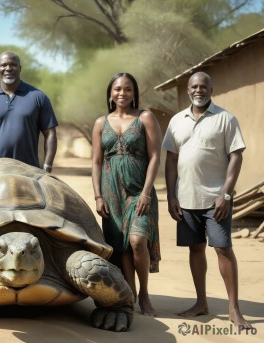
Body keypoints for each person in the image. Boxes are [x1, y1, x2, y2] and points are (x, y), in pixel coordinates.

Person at [162, 71, 252, 329]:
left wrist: (225, 194)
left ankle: (234, 309)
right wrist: (171, 195)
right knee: (195, 248)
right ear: (188, 89)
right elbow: (171, 159)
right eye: (194, 86)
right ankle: (201, 302)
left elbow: (236, 156)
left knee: (223, 248)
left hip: (216, 200)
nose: (198, 90)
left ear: (211, 90)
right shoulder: (177, 120)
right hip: (186, 198)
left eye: (203, 86)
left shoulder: (225, 118)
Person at [91, 72, 162, 316]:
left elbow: (154, 157)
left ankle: (144, 294)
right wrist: (98, 196)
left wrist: (146, 193)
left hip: (138, 191)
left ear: (135, 93)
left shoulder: (145, 117)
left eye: (128, 89)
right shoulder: (101, 122)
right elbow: (96, 162)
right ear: (110, 93)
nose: (123, 93)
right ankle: (129, 292)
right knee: (120, 248)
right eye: (118, 89)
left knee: (137, 241)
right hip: (111, 193)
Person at [0, 50, 58, 172]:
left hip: (29, 172)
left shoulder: (38, 97)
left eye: (13, 65)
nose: (8, 68)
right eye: (3, 65)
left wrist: (47, 167)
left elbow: (50, 134)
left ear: (20, 68)